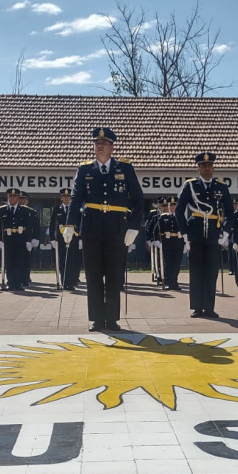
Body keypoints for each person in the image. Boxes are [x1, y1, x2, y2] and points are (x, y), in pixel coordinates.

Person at [67, 128, 143, 331]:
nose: (99, 146)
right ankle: (97, 319)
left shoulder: (124, 168)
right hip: (91, 227)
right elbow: (76, 199)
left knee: (114, 274)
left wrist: (134, 227)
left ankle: (112, 319)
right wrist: (69, 224)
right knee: (93, 274)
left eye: (104, 143)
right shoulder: (85, 169)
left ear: (112, 147)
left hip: (117, 228)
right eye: (96, 143)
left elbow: (138, 199)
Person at [176, 151, 233, 318]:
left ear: (213, 168)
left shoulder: (221, 187)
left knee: (211, 271)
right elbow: (179, 211)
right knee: (196, 270)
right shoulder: (190, 186)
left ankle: (209, 307)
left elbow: (230, 211)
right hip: (195, 233)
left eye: (209, 165)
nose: (206, 168)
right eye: (203, 166)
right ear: (198, 169)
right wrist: (184, 233)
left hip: (214, 233)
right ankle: (197, 307)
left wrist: (227, 232)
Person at [0, 187, 33, 291]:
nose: (12, 198)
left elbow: (29, 226)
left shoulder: (24, 210)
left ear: (18, 198)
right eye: (10, 196)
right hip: (7, 239)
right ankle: (10, 282)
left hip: (20, 239)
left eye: (15, 196)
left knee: (19, 261)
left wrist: (28, 240)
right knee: (9, 261)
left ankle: (18, 283)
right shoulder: (2, 210)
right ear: (8, 197)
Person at [49, 187, 81, 290]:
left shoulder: (75, 209)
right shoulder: (56, 209)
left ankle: (71, 282)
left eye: (68, 196)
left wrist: (81, 238)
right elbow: (52, 225)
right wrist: (52, 239)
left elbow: (80, 224)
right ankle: (64, 282)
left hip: (73, 239)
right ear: (61, 198)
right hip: (61, 239)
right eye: (64, 196)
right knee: (62, 261)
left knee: (72, 260)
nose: (66, 198)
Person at [158, 196, 184, 291]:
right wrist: (160, 238)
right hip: (167, 242)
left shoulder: (181, 216)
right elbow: (157, 230)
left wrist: (184, 239)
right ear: (168, 206)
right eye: (170, 205)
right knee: (168, 263)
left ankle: (175, 282)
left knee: (176, 264)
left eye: (174, 205)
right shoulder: (163, 217)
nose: (172, 207)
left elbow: (185, 229)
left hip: (178, 242)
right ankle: (169, 282)